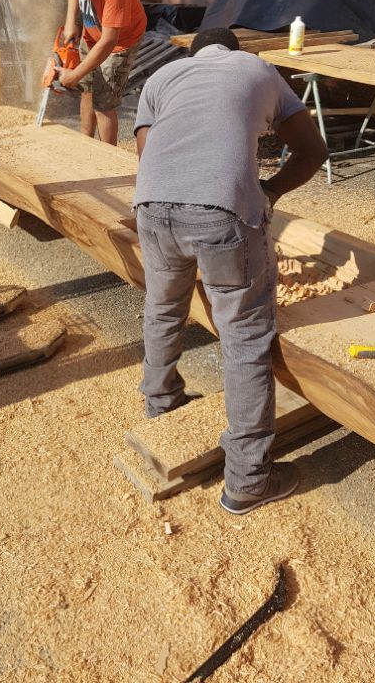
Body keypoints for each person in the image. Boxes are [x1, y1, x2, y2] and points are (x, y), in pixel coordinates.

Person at [133, 27, 328, 515]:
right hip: (222, 214)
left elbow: (146, 152)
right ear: (233, 53)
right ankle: (247, 480)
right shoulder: (258, 70)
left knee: (162, 306)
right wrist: (269, 191)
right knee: (243, 338)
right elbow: (313, 150)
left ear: (195, 54)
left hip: (151, 208)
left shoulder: (164, 75)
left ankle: (161, 402)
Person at [47, 0, 146, 146]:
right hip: (92, 35)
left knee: (103, 104)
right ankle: (86, 145)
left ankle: (107, 160)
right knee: (87, 90)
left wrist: (74, 74)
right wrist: (71, 21)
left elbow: (109, 42)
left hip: (118, 44)